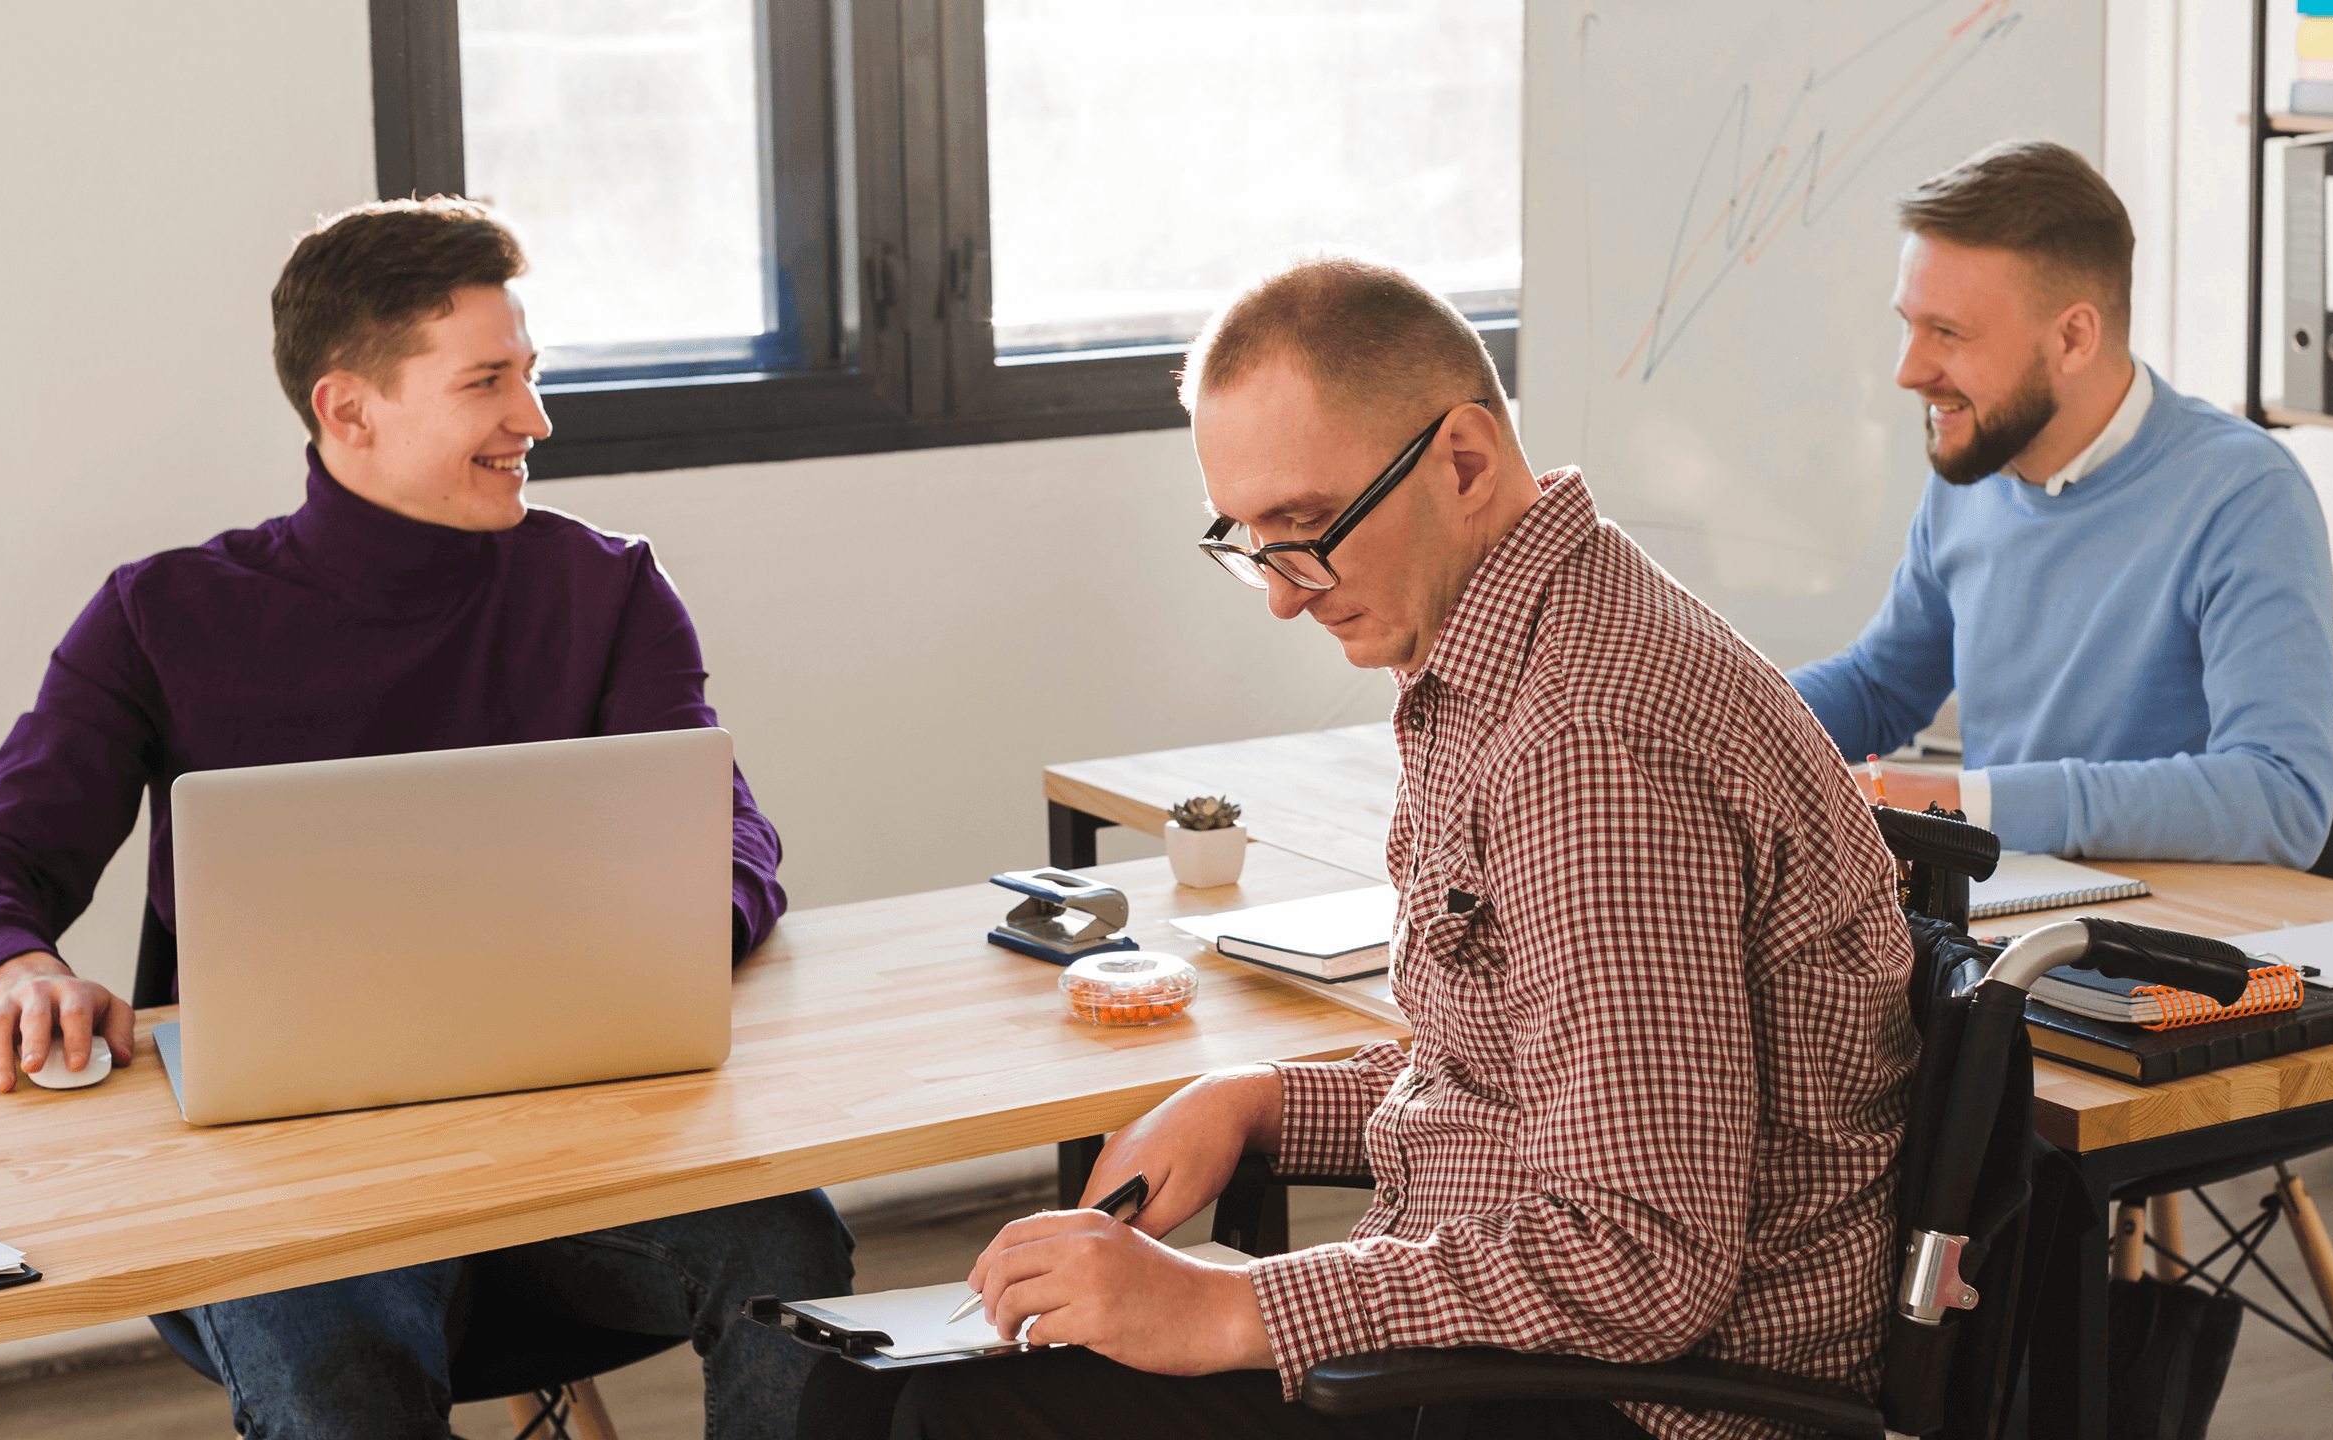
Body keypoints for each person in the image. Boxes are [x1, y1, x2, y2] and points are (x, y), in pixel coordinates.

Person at [798, 259, 1919, 1440]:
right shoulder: (1512, 653)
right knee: (855, 1389)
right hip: (1518, 1346)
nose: (1283, 597)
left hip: (1626, 1402)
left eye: (1306, 527)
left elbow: (1639, 1258)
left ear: (1465, 463)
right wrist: (1257, 1101)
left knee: (952, 1418)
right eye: (1250, 539)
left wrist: (1230, 1309)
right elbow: (1528, 1072)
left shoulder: (1588, 745)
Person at [0, 198, 851, 1439]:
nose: (535, 421)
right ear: (348, 409)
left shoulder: (606, 587)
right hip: (282, 1181)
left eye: (532, 374)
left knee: (795, 1254)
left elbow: (730, 840)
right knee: (333, 1371)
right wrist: (17, 970)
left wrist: (676, 932)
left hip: (576, 1148)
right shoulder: (160, 616)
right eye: (488, 383)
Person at [1788, 139, 2333, 867]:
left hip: (2169, 947)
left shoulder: (2247, 496)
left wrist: (1966, 805)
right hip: (2006, 913)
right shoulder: (1977, 465)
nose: (1908, 370)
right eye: (1908, 322)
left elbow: (2281, 799)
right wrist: (1718, 708)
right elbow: (1880, 687)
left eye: (1947, 332)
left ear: (2074, 338)